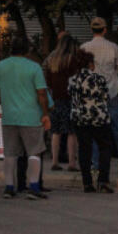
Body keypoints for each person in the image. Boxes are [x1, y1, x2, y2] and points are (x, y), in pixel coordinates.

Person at [0, 34, 51, 200]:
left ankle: (9, 187)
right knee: (34, 152)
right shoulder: (34, 67)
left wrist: (5, 102)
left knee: (10, 153)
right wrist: (45, 113)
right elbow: (41, 93)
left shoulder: (1, 66)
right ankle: (33, 187)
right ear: (27, 50)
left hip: (9, 116)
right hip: (31, 116)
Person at [80, 17, 118, 175]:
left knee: (94, 129)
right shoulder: (113, 47)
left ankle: (95, 164)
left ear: (92, 30)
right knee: (117, 129)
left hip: (91, 93)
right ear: (105, 30)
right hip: (111, 91)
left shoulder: (84, 47)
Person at [68, 50, 114, 193]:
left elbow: (71, 96)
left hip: (80, 119)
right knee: (105, 147)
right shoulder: (99, 79)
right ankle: (103, 180)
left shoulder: (72, 80)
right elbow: (106, 97)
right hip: (99, 118)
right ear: (90, 64)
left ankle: (87, 182)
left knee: (84, 149)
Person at [42, 33, 81, 170]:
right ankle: (71, 162)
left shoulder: (52, 60)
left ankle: (54, 161)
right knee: (71, 132)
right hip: (70, 98)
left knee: (55, 131)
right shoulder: (72, 60)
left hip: (55, 98)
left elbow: (46, 79)